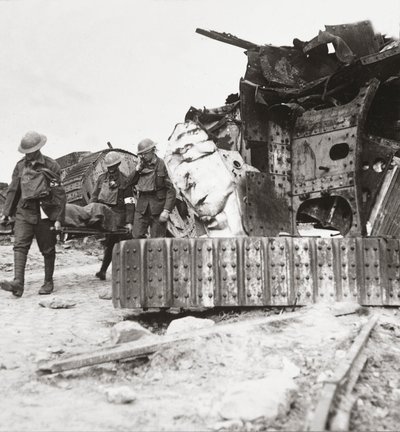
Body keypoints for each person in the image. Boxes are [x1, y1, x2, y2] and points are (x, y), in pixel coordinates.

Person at [0, 131, 66, 297]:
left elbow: (59, 194)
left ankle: (48, 281)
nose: (28, 155)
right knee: (19, 245)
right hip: (24, 211)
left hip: (45, 212)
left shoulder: (52, 165)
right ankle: (18, 284)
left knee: (48, 249)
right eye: (25, 152)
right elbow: (13, 189)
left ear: (38, 149)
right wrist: (6, 212)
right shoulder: (20, 166)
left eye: (30, 151)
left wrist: (59, 218)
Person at [91, 151, 135, 280]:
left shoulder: (125, 181)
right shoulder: (101, 179)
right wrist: (90, 211)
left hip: (119, 216)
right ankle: (103, 271)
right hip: (104, 213)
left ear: (118, 165)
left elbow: (129, 202)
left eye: (113, 166)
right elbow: (94, 196)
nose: (110, 169)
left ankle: (124, 273)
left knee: (122, 245)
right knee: (110, 244)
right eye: (108, 167)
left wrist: (129, 221)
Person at [128, 138, 176, 238]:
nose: (143, 156)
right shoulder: (140, 165)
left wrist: (166, 210)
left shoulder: (162, 164)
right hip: (142, 208)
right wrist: (137, 170)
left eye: (145, 153)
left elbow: (171, 190)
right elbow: (128, 183)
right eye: (141, 154)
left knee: (157, 242)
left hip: (158, 209)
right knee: (136, 236)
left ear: (153, 151)